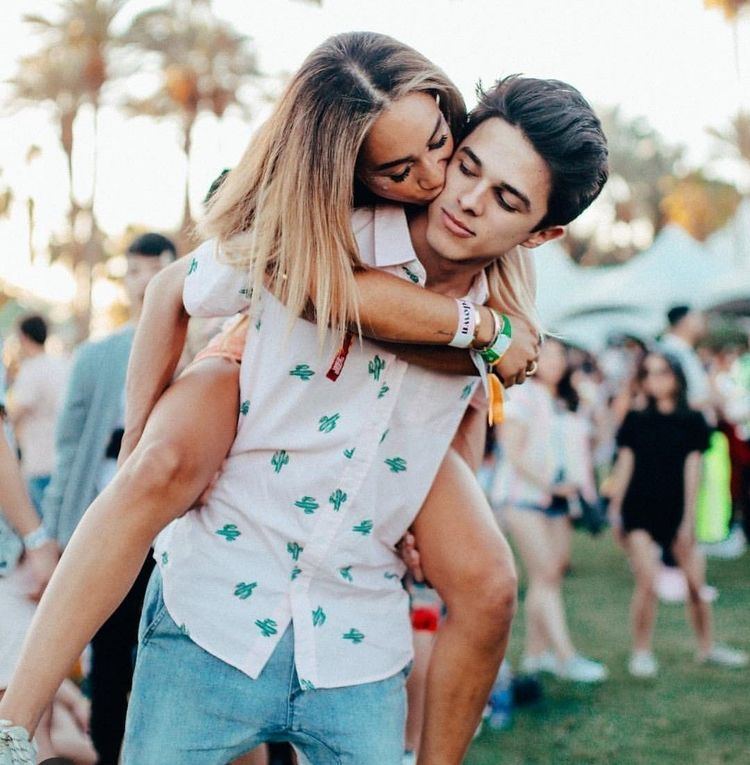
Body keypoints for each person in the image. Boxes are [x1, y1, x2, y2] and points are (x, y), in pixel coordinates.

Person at [0, 34, 608, 765]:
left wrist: (438, 497)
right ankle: (13, 725)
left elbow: (466, 406)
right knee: (158, 463)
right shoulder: (322, 233)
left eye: (505, 197)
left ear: (542, 233)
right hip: (218, 607)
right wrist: (136, 460)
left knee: (491, 580)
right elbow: (185, 291)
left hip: (357, 641)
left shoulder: (509, 315)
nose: (464, 197)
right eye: (468, 166)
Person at [40, 233, 176, 765]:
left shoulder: (199, 347)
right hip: (110, 528)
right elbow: (69, 450)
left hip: (173, 536)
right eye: (134, 271)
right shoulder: (98, 356)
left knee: (165, 657)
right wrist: (53, 532)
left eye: (152, 270)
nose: (141, 282)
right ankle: (104, 752)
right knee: (109, 654)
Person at [608, 350, 748, 678]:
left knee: (696, 585)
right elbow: (624, 465)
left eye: (664, 373)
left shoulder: (692, 420)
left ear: (677, 377)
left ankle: (707, 647)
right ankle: (641, 651)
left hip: (676, 509)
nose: (656, 380)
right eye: (650, 373)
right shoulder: (636, 418)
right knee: (647, 582)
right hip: (639, 508)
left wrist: (688, 521)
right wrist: (615, 512)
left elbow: (693, 471)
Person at [491, 338, 608, 682]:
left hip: (559, 500)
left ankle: (535, 655)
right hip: (523, 497)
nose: (555, 362)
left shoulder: (564, 401)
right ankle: (564, 656)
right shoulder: (521, 396)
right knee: (545, 575)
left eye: (561, 356)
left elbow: (593, 444)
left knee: (549, 576)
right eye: (549, 355)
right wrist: (550, 484)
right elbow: (511, 451)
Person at [6, 315, 68, 514]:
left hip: (38, 461)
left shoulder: (31, 370)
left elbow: (15, 414)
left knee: (43, 525)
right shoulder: (61, 365)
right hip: (60, 457)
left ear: (23, 337)